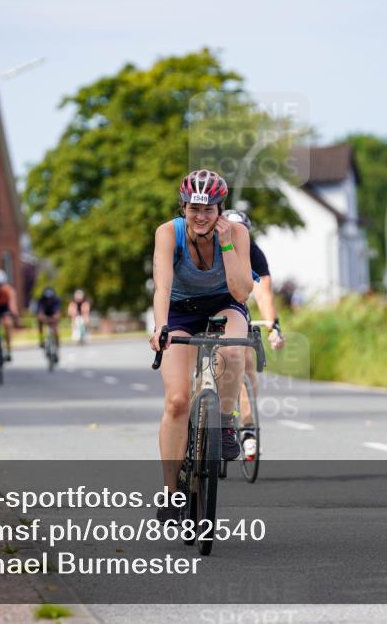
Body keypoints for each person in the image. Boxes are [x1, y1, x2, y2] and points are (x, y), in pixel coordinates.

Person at [149, 169, 254, 523]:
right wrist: (161, 327)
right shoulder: (169, 233)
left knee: (234, 350)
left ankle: (224, 421)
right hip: (179, 311)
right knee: (178, 401)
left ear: (220, 210)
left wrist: (226, 245)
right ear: (183, 207)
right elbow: (162, 286)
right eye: (194, 208)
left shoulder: (237, 233)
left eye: (209, 209)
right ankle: (170, 493)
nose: (201, 216)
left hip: (225, 304)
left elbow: (241, 291)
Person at [224, 210, 285, 460]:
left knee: (246, 366)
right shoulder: (211, 247)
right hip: (205, 309)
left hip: (237, 311)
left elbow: (263, 293)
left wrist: (273, 327)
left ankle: (247, 429)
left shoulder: (254, 253)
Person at [36, 286, 62, 360]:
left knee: (56, 329)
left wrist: (55, 317)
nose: (48, 300)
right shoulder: (41, 301)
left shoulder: (56, 300)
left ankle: (57, 346)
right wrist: (43, 318)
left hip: (53, 315)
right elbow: (40, 312)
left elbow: (57, 312)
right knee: (40, 323)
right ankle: (41, 340)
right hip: (44, 315)